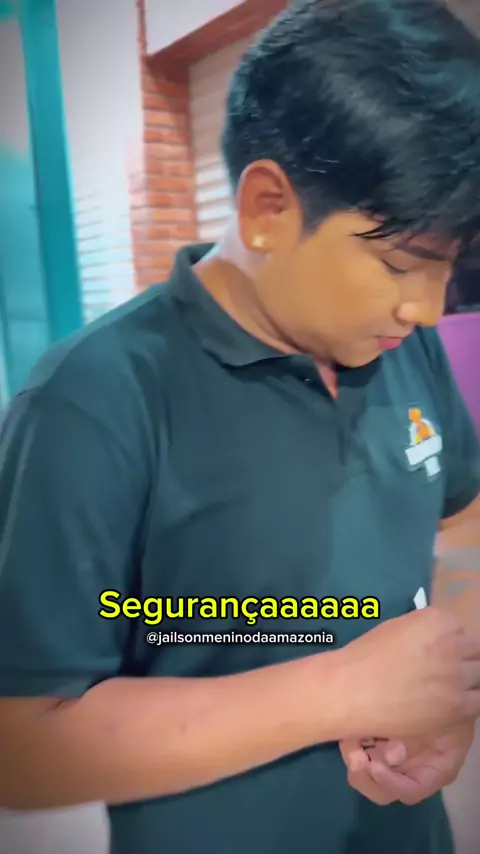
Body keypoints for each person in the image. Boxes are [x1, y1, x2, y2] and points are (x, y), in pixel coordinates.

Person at [1, 1, 480, 852]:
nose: (428, 307)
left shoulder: (404, 346)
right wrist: (342, 689)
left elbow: (465, 522)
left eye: (446, 266)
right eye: (399, 262)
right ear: (266, 207)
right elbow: (21, 745)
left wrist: (448, 691)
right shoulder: (91, 401)